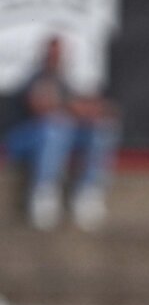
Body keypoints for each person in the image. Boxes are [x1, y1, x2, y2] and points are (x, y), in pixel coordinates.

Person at [5, 35, 120, 231]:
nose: (55, 58)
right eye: (52, 54)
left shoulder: (67, 83)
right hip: (21, 142)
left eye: (59, 55)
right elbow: (42, 107)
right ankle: (44, 193)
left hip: (60, 138)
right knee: (55, 127)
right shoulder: (36, 78)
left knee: (101, 130)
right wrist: (72, 107)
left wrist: (87, 110)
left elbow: (96, 109)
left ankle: (88, 191)